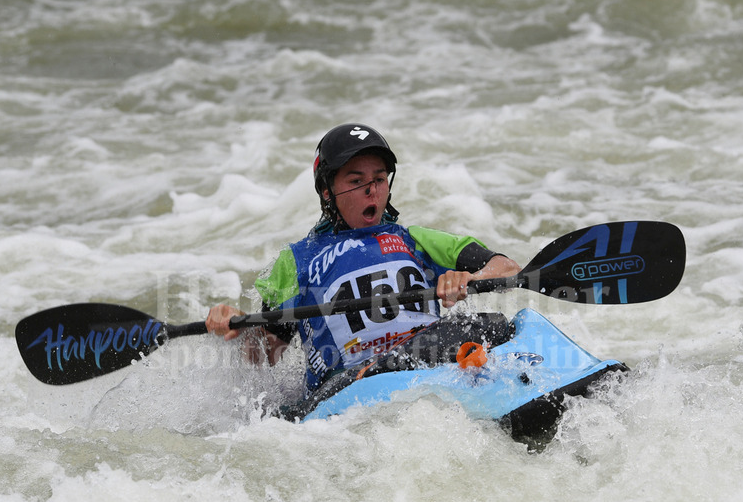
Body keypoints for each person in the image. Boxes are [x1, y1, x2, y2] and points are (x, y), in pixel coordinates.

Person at [205, 123, 521, 399]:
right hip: (344, 388)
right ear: (328, 192)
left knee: (489, 325)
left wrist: (470, 279)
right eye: (356, 181)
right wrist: (238, 326)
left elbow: (508, 269)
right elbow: (263, 357)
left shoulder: (417, 240)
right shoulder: (296, 261)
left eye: (380, 179)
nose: (372, 191)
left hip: (431, 356)